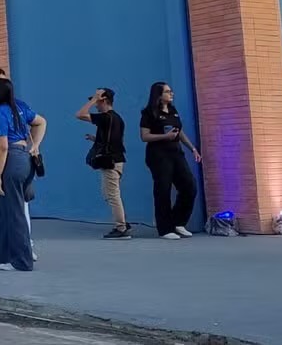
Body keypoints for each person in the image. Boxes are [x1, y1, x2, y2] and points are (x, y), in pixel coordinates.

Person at [0, 67, 46, 262]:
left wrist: (35, 146)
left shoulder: (15, 107)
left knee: (18, 206)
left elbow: (4, 145)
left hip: (11, 158)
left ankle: (24, 248)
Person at [0, 77, 44, 271]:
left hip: (11, 160)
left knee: (15, 214)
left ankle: (22, 261)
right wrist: (35, 145)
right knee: (2, 213)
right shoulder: (20, 109)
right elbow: (41, 122)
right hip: (24, 159)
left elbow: (2, 147)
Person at [140, 82, 201, 239]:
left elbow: (179, 132)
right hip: (159, 155)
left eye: (171, 91)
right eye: (167, 92)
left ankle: (178, 222)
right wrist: (164, 137)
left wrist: (192, 148)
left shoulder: (173, 110)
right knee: (163, 190)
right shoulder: (149, 113)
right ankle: (165, 229)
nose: (171, 94)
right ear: (159, 95)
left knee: (189, 186)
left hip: (176, 153)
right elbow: (144, 136)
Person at [76, 88, 130, 239]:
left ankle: (121, 227)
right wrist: (96, 139)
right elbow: (113, 140)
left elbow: (79, 114)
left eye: (97, 102)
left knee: (112, 195)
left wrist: (92, 99)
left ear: (104, 100)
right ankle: (123, 222)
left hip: (110, 162)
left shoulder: (105, 117)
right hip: (116, 160)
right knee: (109, 193)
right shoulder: (116, 118)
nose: (95, 105)